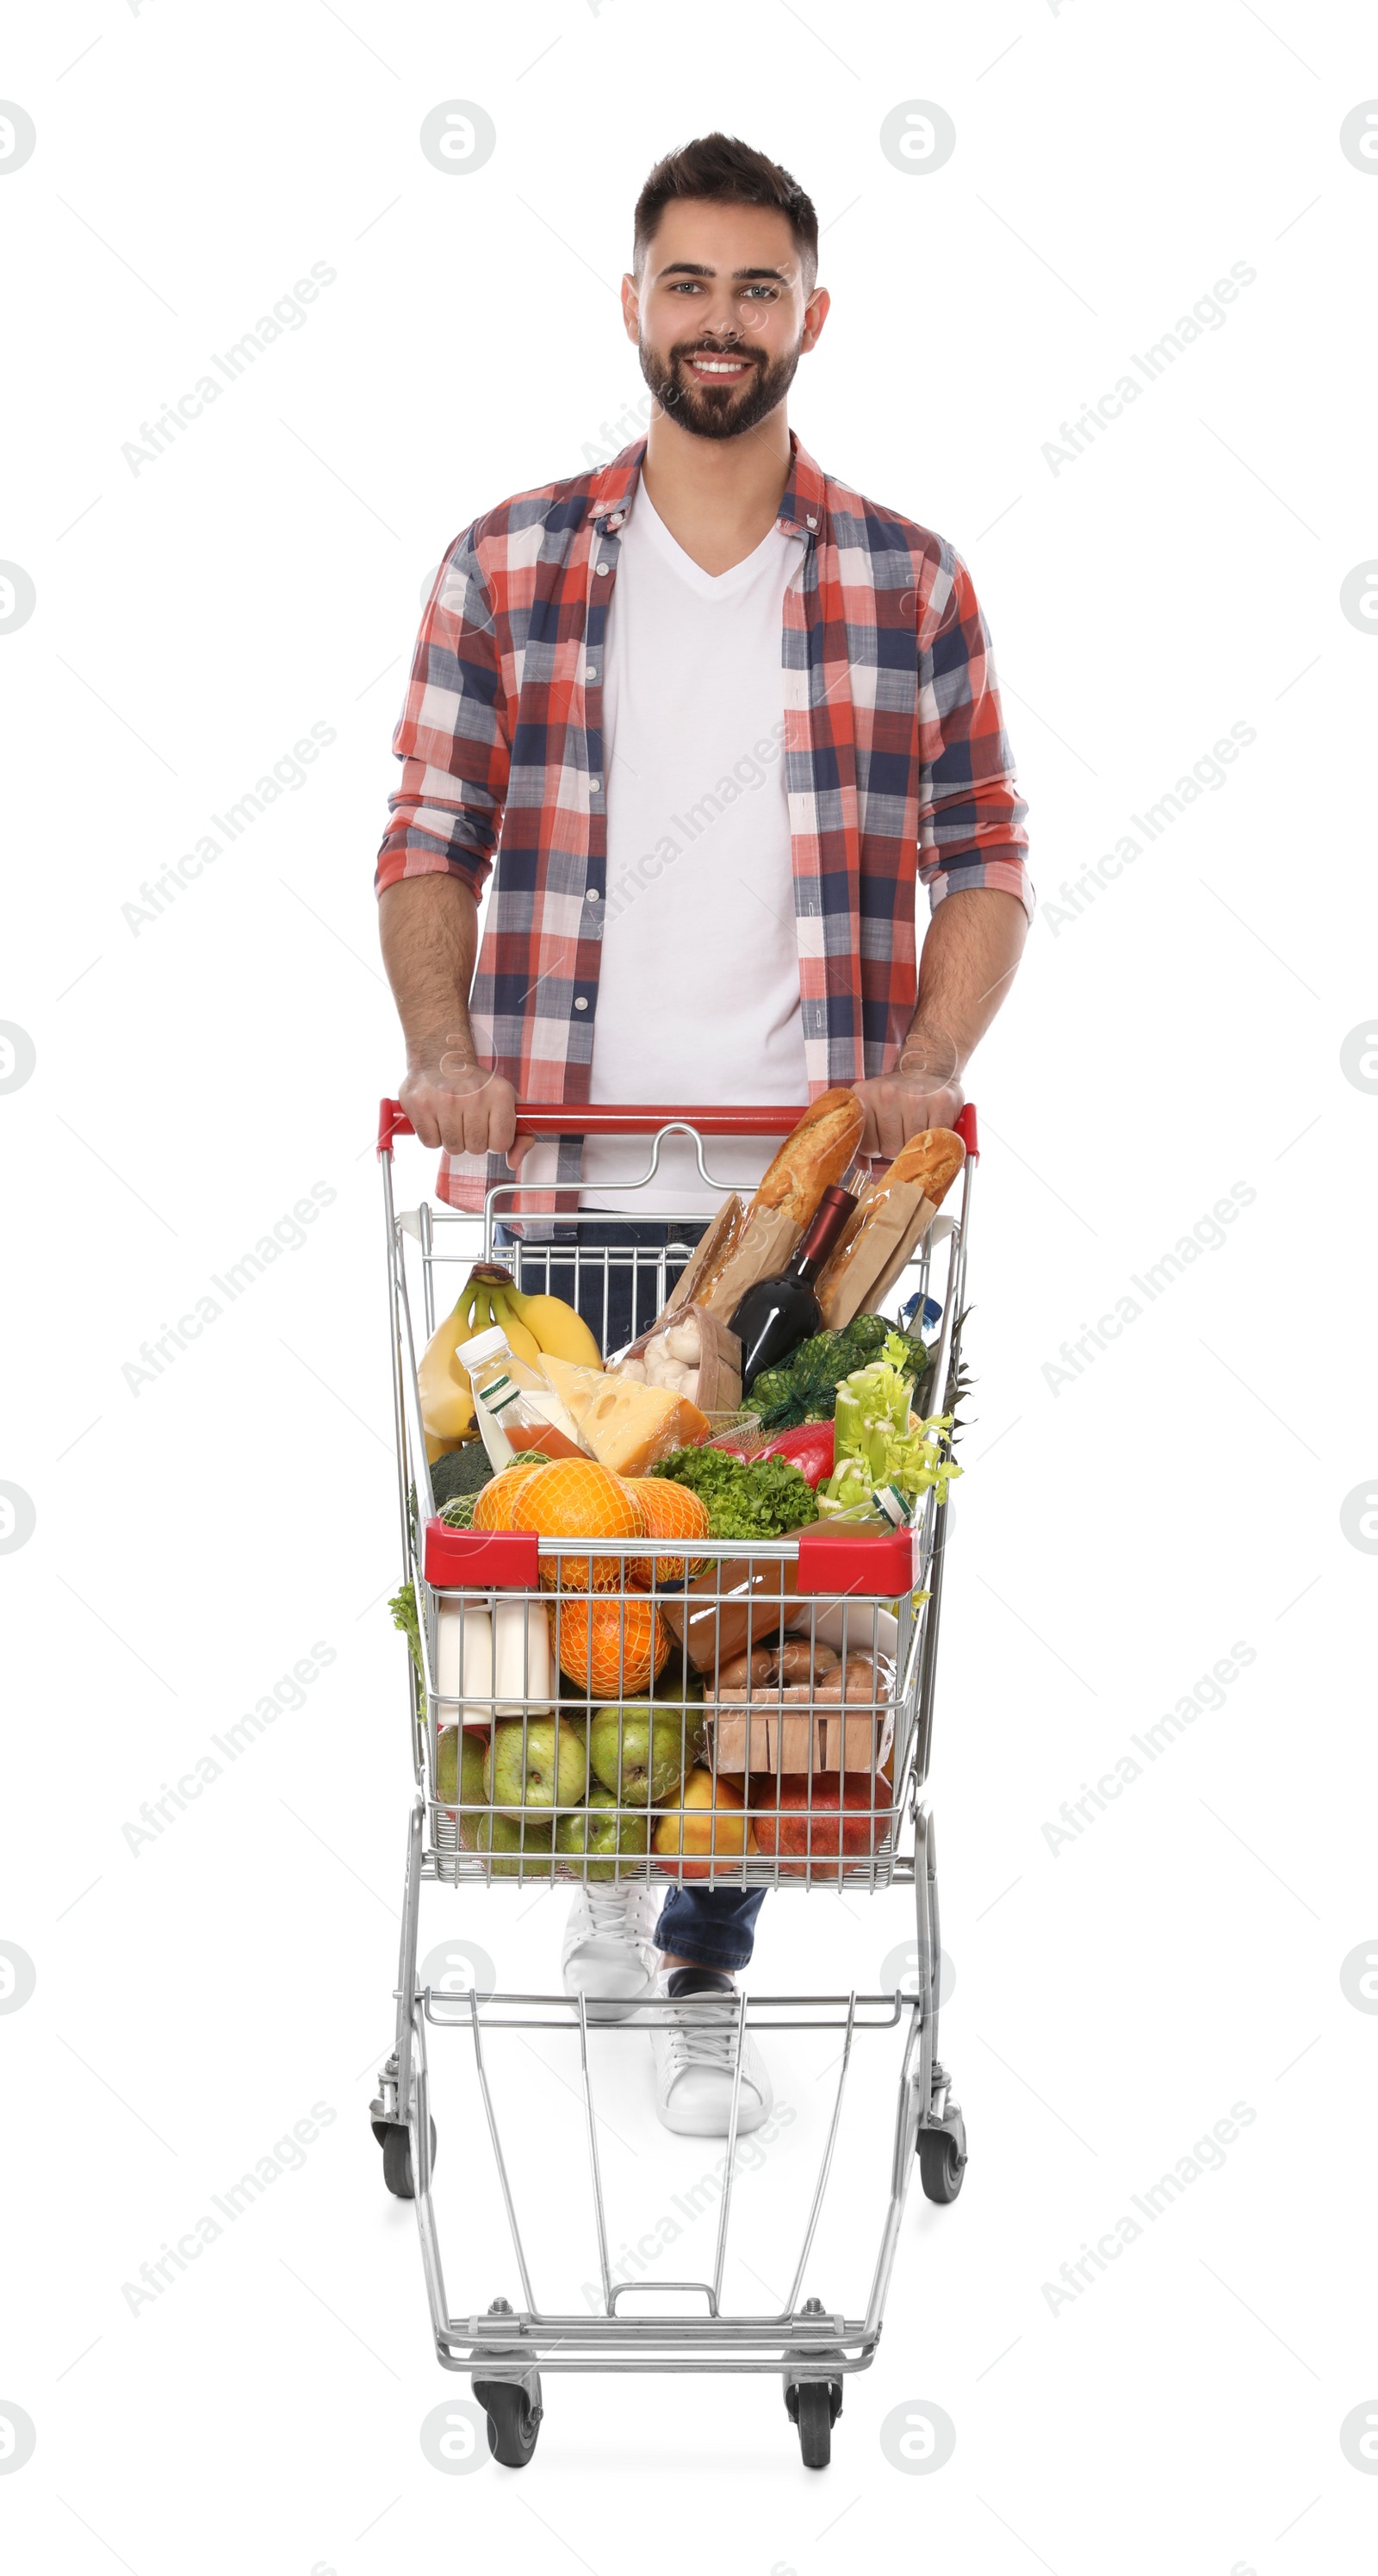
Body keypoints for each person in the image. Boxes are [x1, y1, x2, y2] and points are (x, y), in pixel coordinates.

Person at [377, 133, 1031, 2139]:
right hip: (564, 1175)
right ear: (635, 304)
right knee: (578, 1581)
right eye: (687, 284)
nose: (719, 323)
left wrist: (923, 1049)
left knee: (763, 1600)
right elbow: (429, 841)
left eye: (758, 290)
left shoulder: (907, 580)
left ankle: (699, 1968)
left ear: (807, 319)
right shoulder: (502, 563)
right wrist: (446, 1042)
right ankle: (588, 1901)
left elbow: (984, 860)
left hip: (800, 1198)